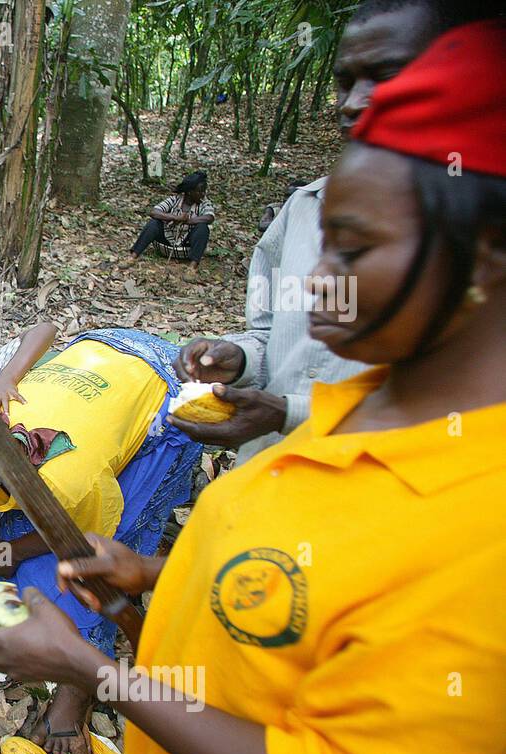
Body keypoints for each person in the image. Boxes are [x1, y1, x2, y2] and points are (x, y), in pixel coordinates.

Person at [0, 20, 506, 754]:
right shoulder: (364, 403)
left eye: (352, 251)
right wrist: (151, 572)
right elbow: (296, 589)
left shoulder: (480, 524)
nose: (316, 283)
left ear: (484, 259)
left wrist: (93, 672)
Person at [169, 0, 490, 460]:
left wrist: (289, 413)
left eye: (387, 75)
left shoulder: (484, 237)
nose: (355, 102)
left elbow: (464, 410)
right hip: (268, 477)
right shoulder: (303, 208)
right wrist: (236, 360)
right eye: (345, 82)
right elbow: (269, 336)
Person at [0, 329, 202, 754]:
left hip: (164, 384)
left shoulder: (69, 480)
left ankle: (79, 687)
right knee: (15, 535)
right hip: (95, 352)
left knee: (113, 541)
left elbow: (90, 544)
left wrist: (18, 550)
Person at [124, 171, 215, 278]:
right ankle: (133, 257)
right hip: (165, 243)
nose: (203, 194)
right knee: (154, 223)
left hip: (185, 248)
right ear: (190, 192)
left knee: (202, 228)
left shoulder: (204, 203)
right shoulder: (174, 200)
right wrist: (174, 217)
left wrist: (187, 220)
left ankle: (192, 268)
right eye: (200, 191)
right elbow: (154, 212)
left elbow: (210, 217)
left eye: (204, 191)